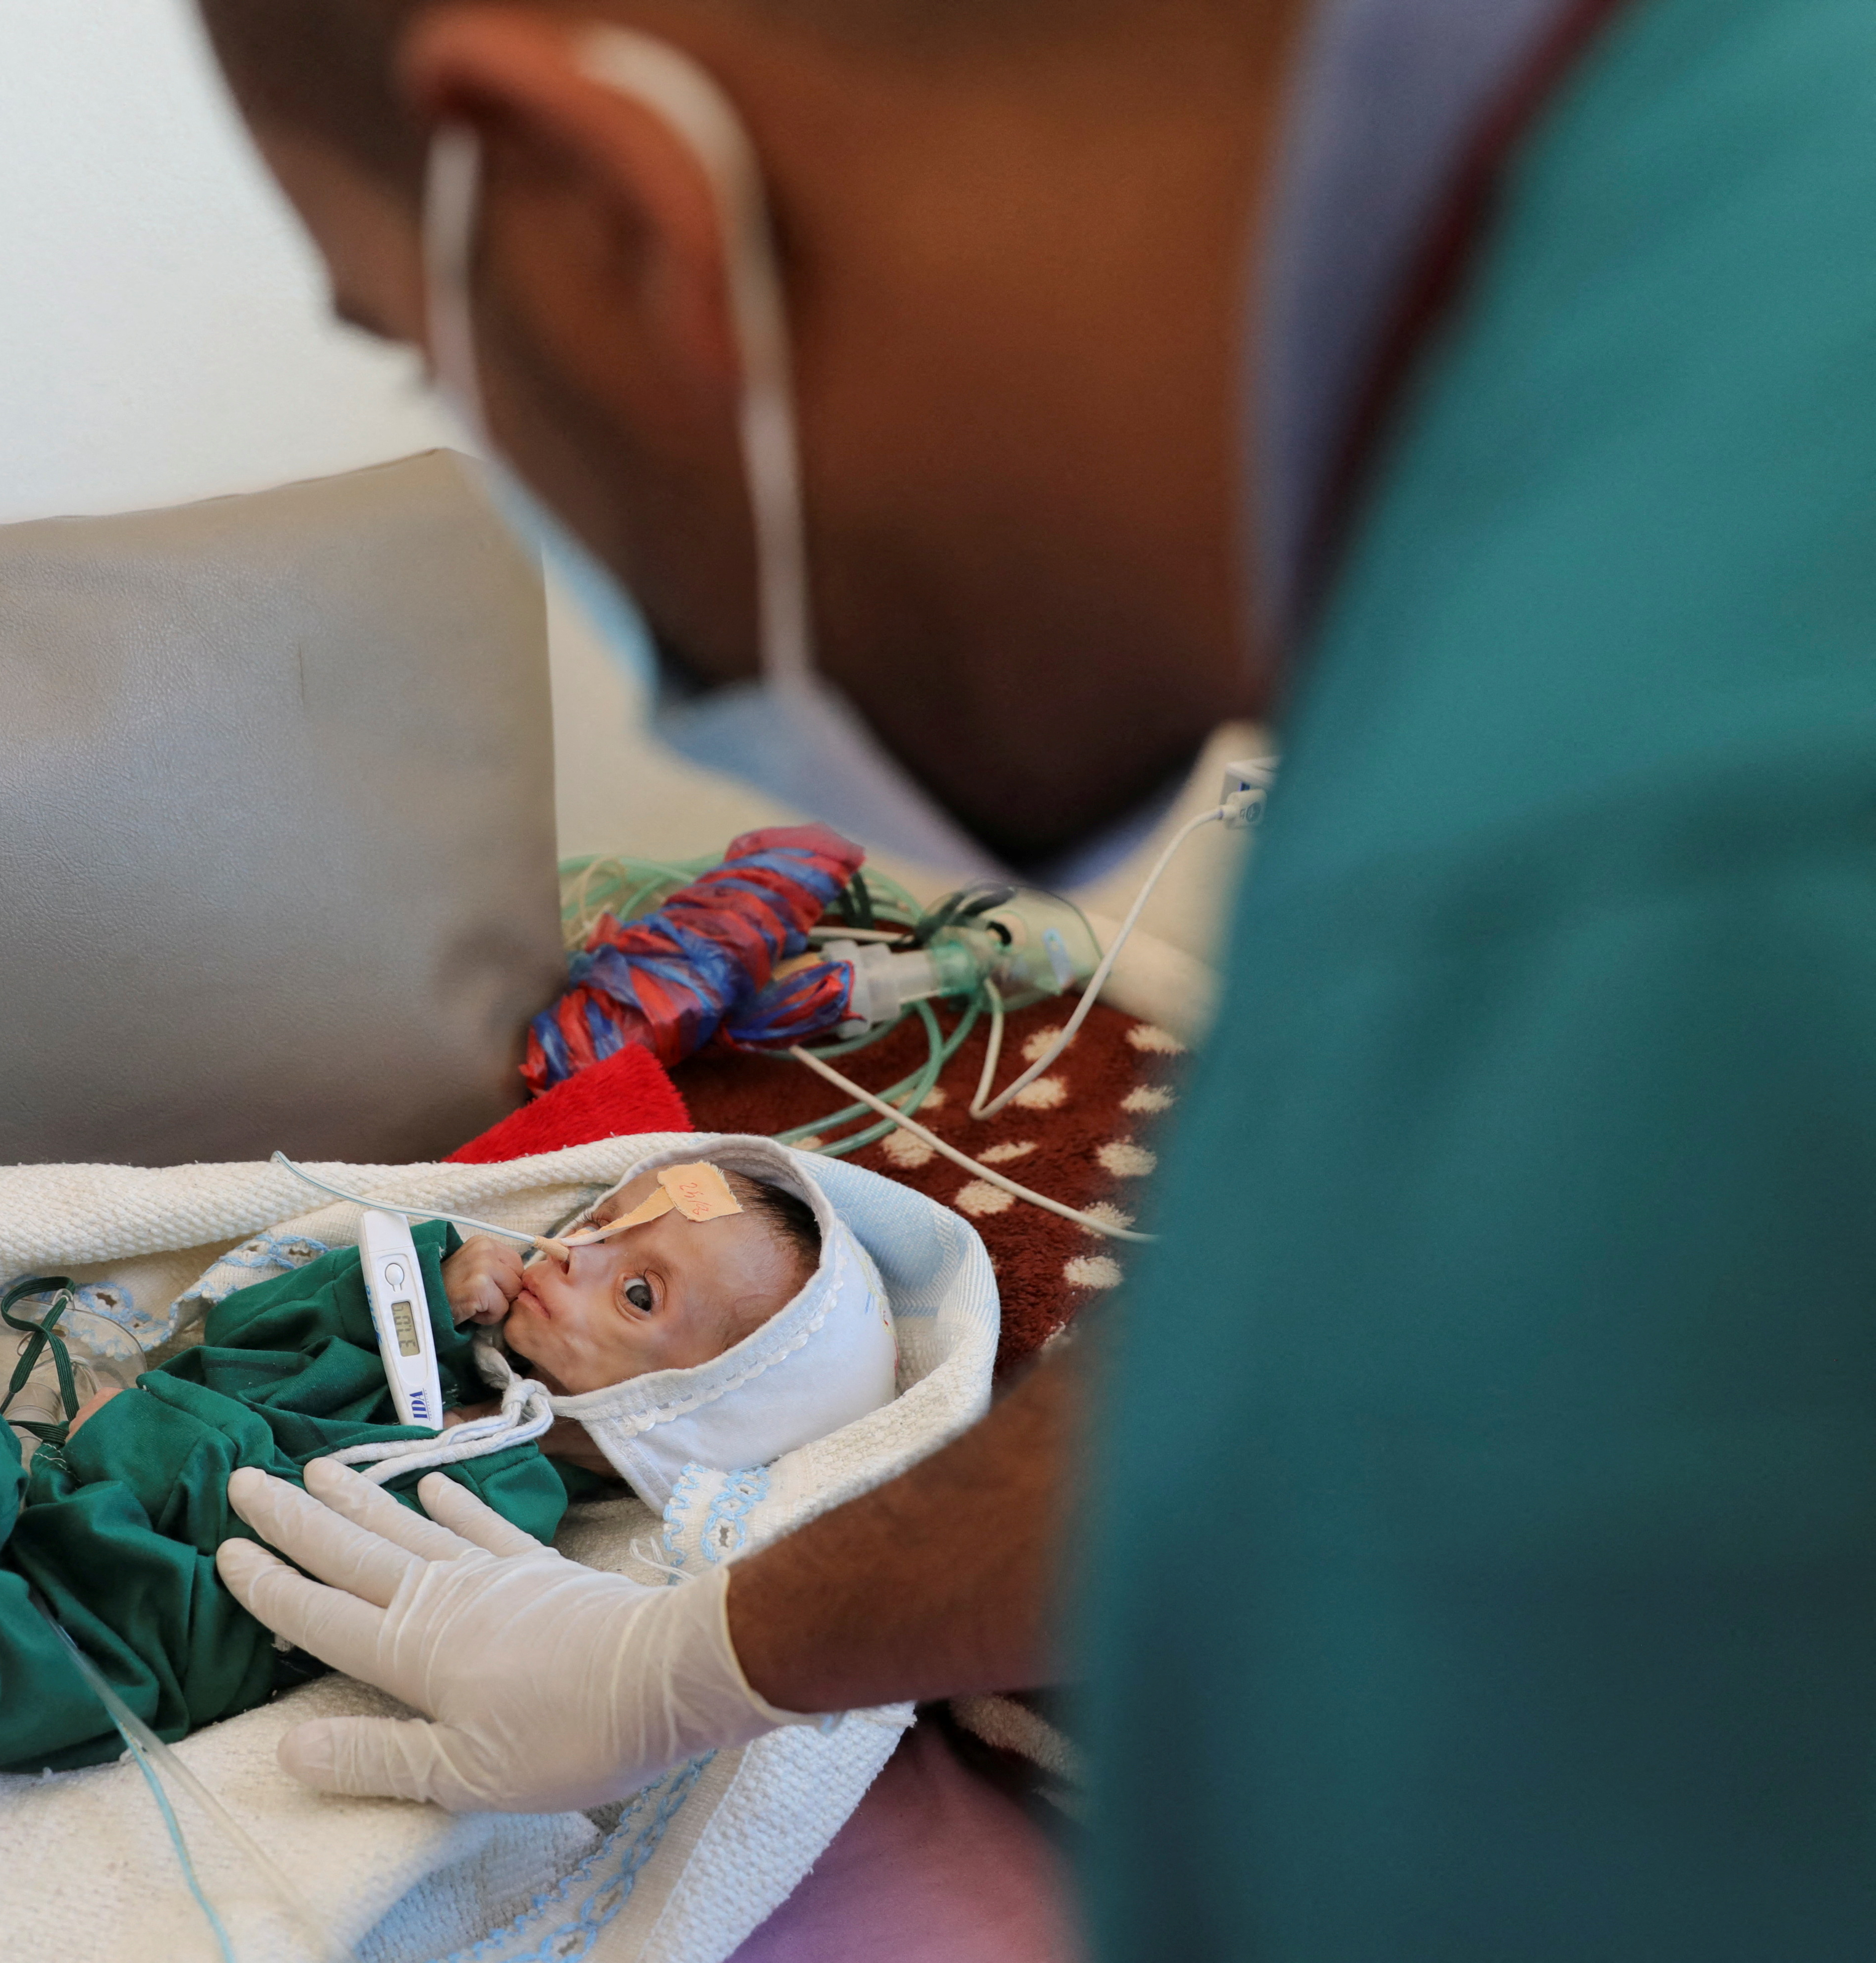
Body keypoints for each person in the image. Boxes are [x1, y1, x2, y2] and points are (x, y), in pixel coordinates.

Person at [194, 1, 1876, 1957]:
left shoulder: (1610, 892)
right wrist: (698, 1652)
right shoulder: (1715, 199)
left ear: (613, 225)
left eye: (426, 350)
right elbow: (1309, 1348)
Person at [0, 1150, 891, 1951]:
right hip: (58, 1499)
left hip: (122, 1642)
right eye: (596, 1227)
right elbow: (232, 1342)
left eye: (635, 1292)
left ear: (675, 1413)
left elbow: (320, 1575)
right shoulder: (417, 1331)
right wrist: (376, 1287)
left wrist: (219, 1449)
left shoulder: (504, 1500)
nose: (570, 1260)